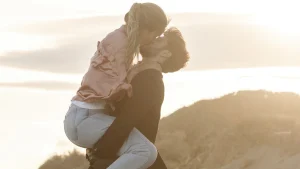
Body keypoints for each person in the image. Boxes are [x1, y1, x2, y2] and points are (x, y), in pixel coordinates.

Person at [63, 2, 168, 169]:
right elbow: (106, 83)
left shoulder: (118, 39)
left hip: (84, 116)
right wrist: (122, 86)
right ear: (147, 29)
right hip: (84, 118)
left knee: (145, 151)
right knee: (145, 152)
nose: (152, 40)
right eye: (155, 35)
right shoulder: (121, 46)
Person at [87, 27, 190, 169]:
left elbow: (125, 122)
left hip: (130, 160)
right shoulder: (135, 74)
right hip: (122, 156)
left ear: (165, 54)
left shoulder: (150, 82)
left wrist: (99, 152)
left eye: (159, 40)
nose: (152, 39)